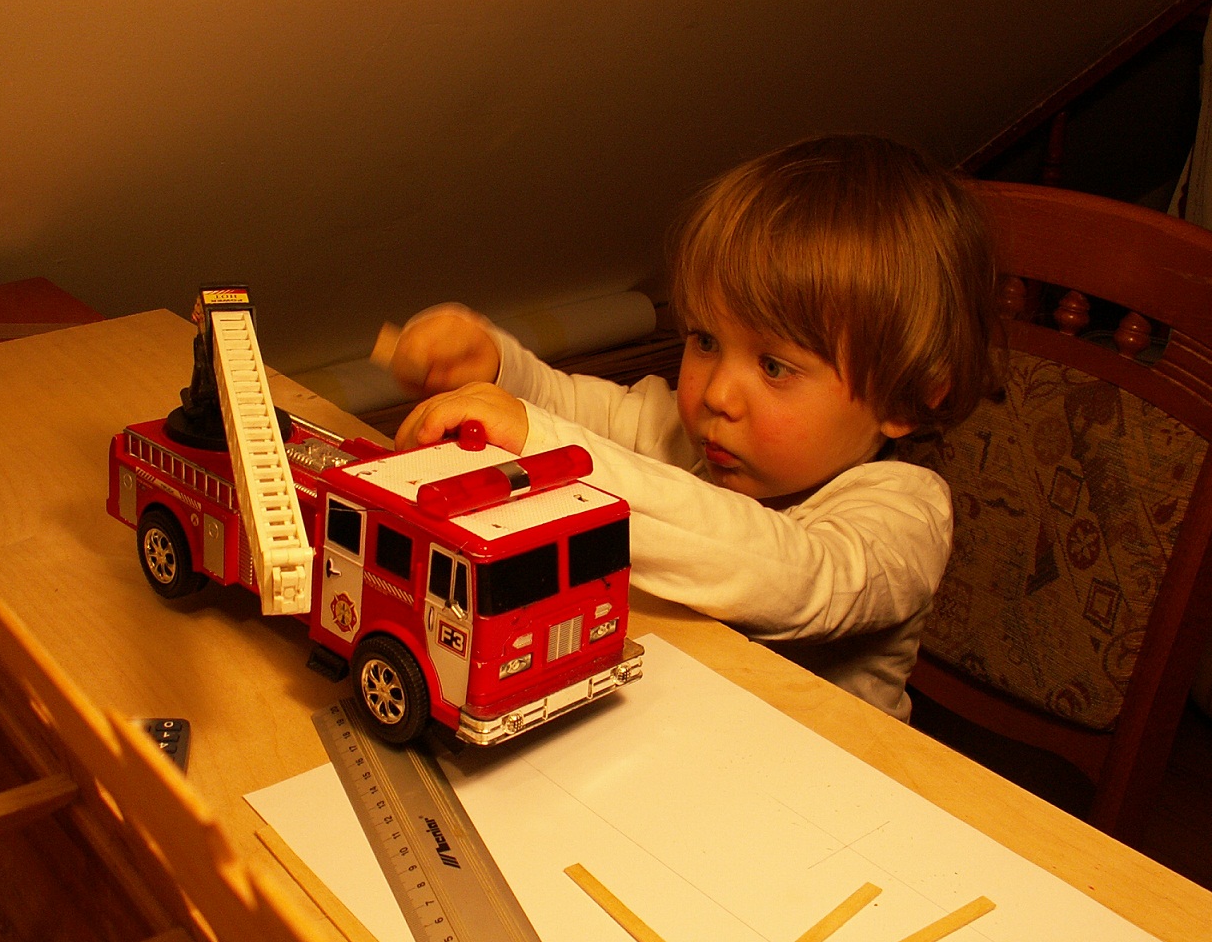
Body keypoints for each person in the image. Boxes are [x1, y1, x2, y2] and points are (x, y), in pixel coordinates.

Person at [380, 134, 999, 720]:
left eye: (774, 366)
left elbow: (790, 578)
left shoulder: (905, 513)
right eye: (706, 340)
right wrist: (496, 370)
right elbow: (569, 405)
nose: (716, 395)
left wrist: (544, 449)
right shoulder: (693, 437)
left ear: (906, 396)